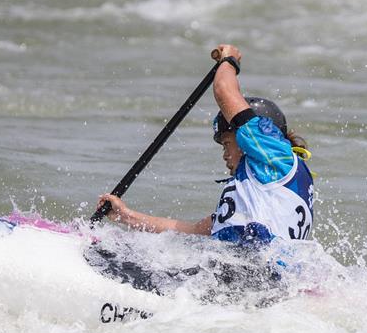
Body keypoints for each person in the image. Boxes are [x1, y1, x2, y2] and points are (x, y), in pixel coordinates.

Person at [97, 44, 314, 246]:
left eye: (227, 144)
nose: (225, 155)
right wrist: (126, 216)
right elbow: (188, 231)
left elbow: (223, 91)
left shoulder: (272, 152)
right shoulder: (259, 194)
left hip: (249, 271)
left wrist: (229, 60)